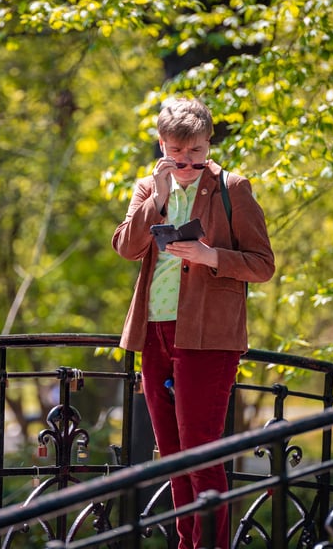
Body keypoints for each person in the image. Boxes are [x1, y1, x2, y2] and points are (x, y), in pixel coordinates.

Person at [112, 97, 275, 549]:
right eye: (178, 154)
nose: (187, 163)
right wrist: (159, 199)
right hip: (155, 333)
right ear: (162, 145)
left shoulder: (233, 188)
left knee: (202, 449)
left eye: (196, 153)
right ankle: (189, 543)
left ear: (209, 144)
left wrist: (211, 256)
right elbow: (125, 247)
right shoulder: (148, 188)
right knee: (173, 454)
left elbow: (263, 264)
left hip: (209, 338)